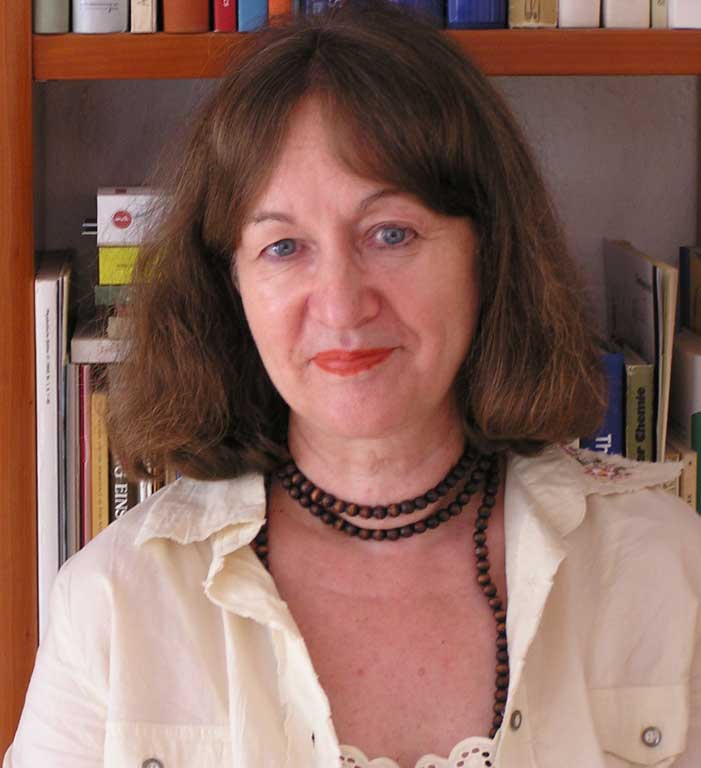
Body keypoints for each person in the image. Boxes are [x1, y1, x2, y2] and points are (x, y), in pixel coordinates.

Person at [5, 3, 700, 767]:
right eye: (283, 247)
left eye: (390, 233)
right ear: (230, 285)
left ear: (488, 252)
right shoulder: (112, 604)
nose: (340, 303)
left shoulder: (668, 572)